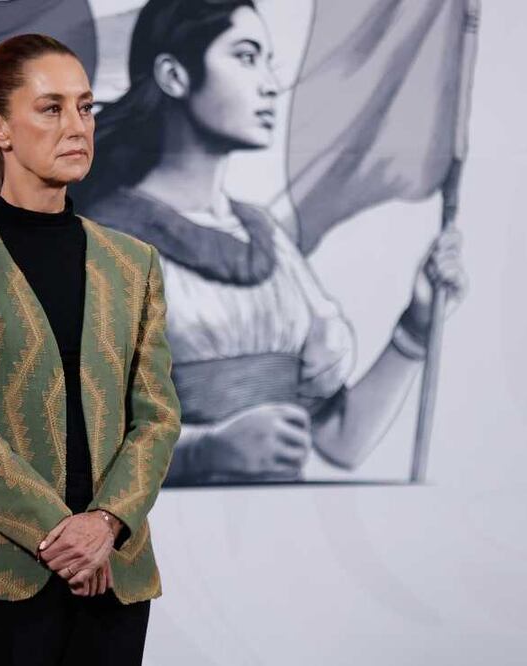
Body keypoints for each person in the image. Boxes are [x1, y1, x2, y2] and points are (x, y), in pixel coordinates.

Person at [71, 0, 468, 485]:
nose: (269, 84)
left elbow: (341, 441)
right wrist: (204, 452)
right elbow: (71, 446)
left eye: (267, 61)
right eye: (245, 57)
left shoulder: (269, 241)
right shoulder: (104, 242)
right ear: (174, 75)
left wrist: (417, 325)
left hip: (280, 524)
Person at [0, 33, 182, 665]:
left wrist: (105, 523)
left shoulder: (134, 263)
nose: (76, 126)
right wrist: (60, 534)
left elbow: (158, 417)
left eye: (85, 107)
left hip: (113, 578)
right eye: (51, 108)